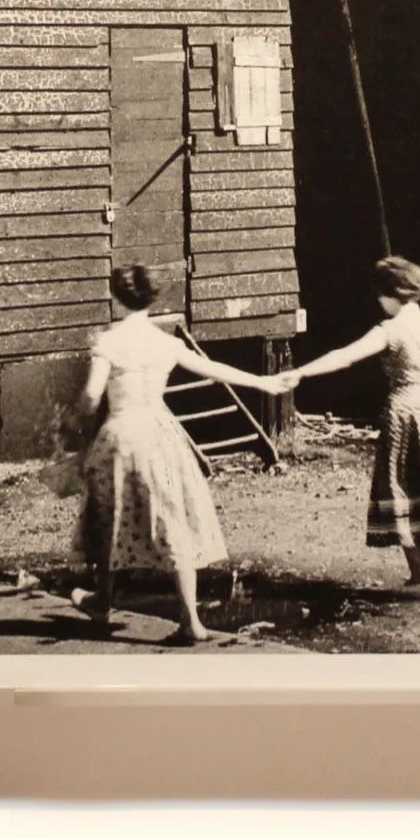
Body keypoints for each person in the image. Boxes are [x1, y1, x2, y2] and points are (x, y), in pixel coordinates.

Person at [73, 265, 285, 645]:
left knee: (110, 517)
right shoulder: (166, 343)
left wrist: (75, 423)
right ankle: (189, 620)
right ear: (152, 298)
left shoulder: (108, 342)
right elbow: (213, 369)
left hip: (121, 435)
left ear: (115, 297)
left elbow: (91, 397)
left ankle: (104, 601)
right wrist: (262, 381)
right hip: (159, 434)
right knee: (172, 520)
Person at [281, 255, 420, 596]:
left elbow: (346, 355)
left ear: (392, 294)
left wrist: (301, 372)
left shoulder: (389, 329)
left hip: (403, 411)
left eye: (380, 295)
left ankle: (419, 579)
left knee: (401, 486)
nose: (379, 301)